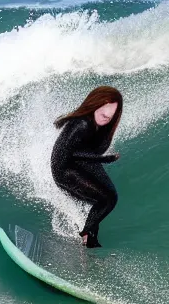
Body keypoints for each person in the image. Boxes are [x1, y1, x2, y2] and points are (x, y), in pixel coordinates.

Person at [51, 86, 123, 248]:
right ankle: (87, 234)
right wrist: (104, 159)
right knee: (107, 199)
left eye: (109, 117)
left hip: (79, 166)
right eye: (103, 114)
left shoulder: (96, 126)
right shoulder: (82, 124)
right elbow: (70, 153)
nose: (106, 118)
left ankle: (87, 238)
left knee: (108, 196)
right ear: (94, 105)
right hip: (65, 170)